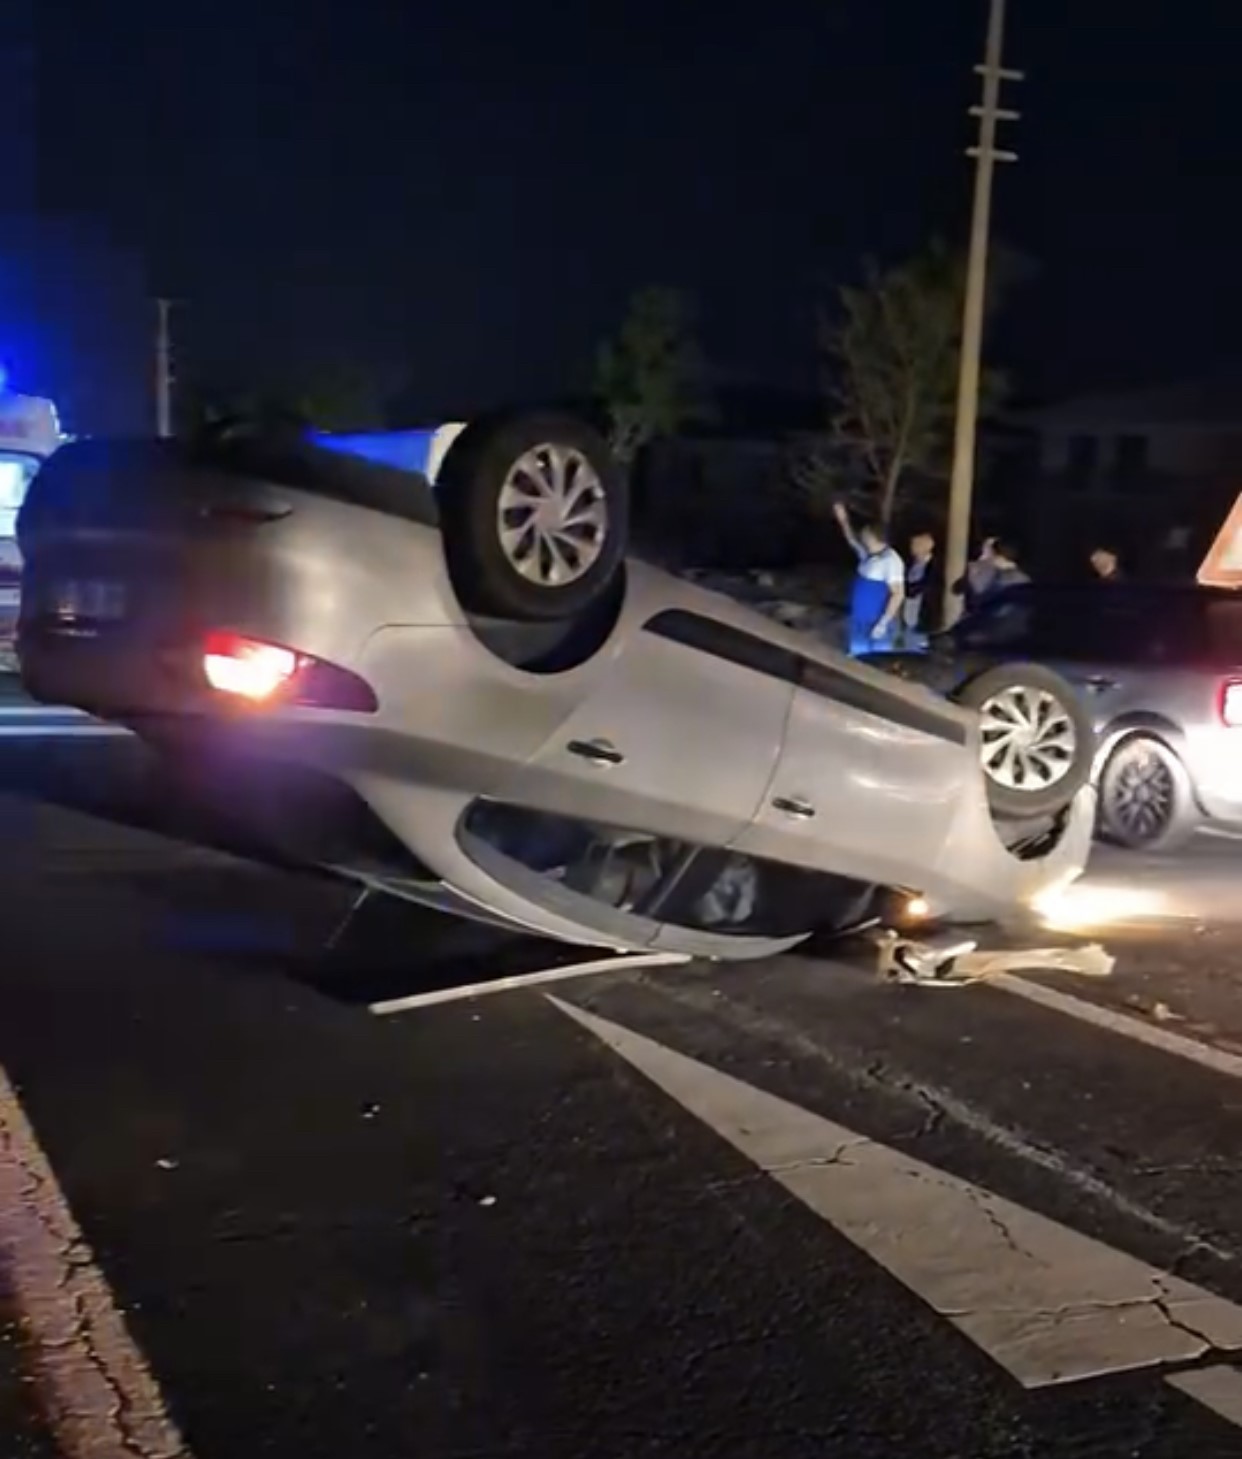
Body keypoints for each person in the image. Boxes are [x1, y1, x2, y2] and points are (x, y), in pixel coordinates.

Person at [832, 502, 905, 655]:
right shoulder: (869, 555)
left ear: (874, 537)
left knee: (875, 659)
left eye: (865, 534)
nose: (862, 536)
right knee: (857, 654)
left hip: (876, 619)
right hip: (860, 617)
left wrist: (883, 622)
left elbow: (898, 593)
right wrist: (843, 521)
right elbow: (852, 540)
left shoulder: (892, 561)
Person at [902, 530, 942, 647]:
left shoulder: (934, 566)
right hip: (908, 614)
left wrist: (906, 589)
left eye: (915, 544)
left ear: (925, 547)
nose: (912, 547)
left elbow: (927, 586)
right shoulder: (912, 564)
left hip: (923, 617)